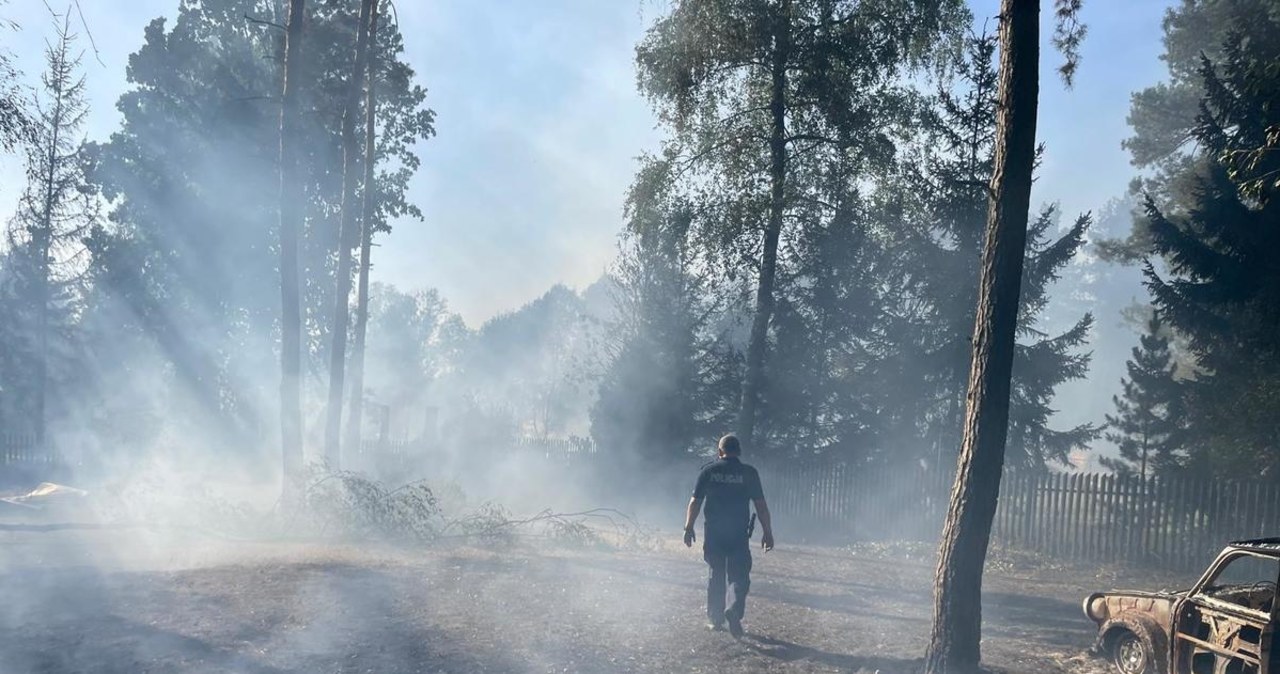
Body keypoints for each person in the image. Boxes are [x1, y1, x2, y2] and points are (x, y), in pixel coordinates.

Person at [682, 433, 774, 638]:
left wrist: (688, 527)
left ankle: (715, 620)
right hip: (738, 533)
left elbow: (695, 502)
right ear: (738, 451)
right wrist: (767, 532)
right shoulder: (749, 473)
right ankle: (733, 607)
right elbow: (761, 506)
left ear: (720, 451)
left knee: (716, 573)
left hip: (714, 532)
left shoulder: (709, 471)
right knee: (739, 575)